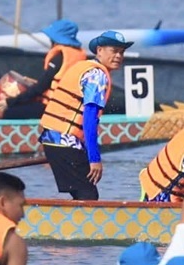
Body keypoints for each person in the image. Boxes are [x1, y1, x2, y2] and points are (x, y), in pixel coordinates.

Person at [39, 30, 131, 200]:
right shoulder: (97, 76)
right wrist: (94, 158)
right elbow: (90, 118)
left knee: (82, 194)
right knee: (88, 197)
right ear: (100, 51)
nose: (118, 56)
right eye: (114, 51)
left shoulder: (85, 67)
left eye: (121, 52)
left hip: (52, 138)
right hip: (66, 141)